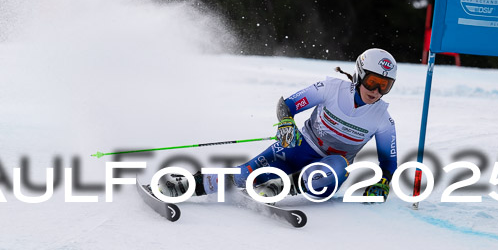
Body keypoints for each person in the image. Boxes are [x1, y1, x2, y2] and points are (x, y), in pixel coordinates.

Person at [160, 48, 398, 202]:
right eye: (372, 81)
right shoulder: (330, 89)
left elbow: (388, 162)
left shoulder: (382, 119)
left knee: (338, 163)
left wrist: (383, 182)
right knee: (244, 175)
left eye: (384, 86)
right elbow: (287, 105)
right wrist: (286, 123)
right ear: (359, 75)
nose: (376, 91)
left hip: (326, 174)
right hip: (298, 147)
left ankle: (279, 186)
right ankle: (187, 185)